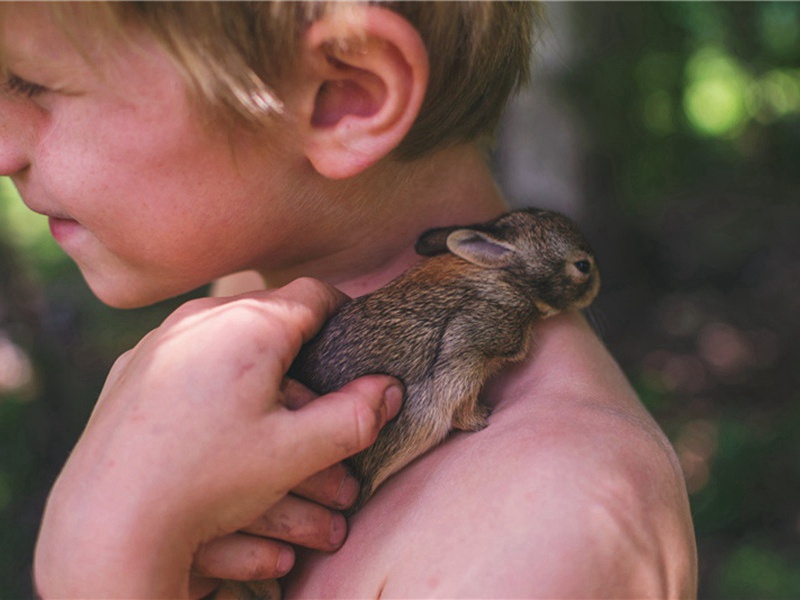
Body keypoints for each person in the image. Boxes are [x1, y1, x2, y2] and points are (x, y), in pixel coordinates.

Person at [0, 2, 698, 598]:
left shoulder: (550, 528)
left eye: (32, 81)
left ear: (345, 96)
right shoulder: (253, 294)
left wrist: (101, 560)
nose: (3, 145)